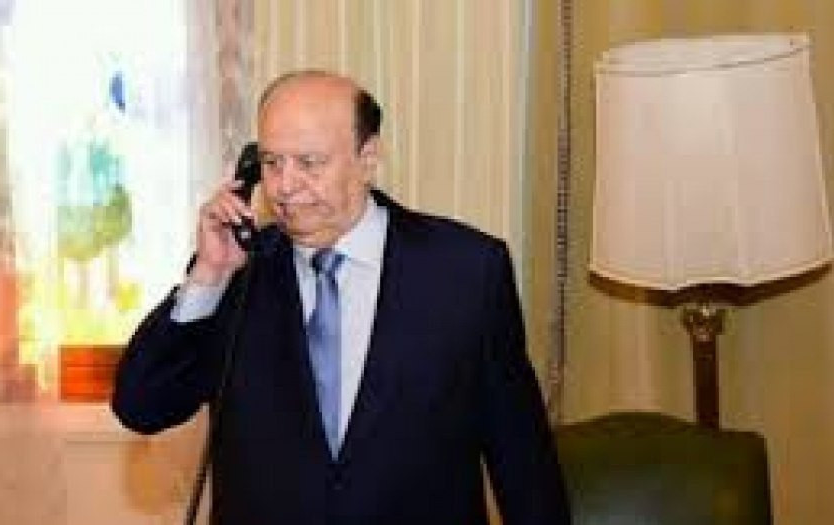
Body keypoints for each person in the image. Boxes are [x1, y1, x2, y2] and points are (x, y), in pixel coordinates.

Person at [112, 70, 570, 524]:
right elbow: (142, 405)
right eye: (272, 163)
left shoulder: (466, 272)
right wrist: (207, 276)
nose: (285, 186)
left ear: (368, 158)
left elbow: (523, 461)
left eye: (309, 162)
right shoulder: (236, 273)